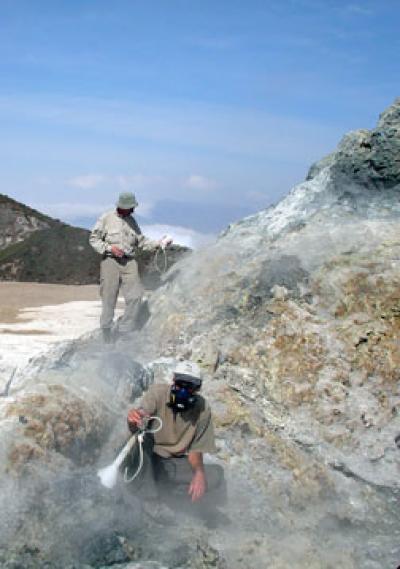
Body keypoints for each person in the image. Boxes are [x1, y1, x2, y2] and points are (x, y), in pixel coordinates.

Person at [126, 362, 226, 520]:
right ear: (173, 381)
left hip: (171, 463)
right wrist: (134, 417)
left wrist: (199, 474)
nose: (184, 391)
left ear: (197, 389)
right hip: (148, 458)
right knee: (141, 439)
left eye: (190, 387)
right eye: (180, 384)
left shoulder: (202, 408)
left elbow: (196, 450)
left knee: (215, 475)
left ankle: (172, 494)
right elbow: (141, 416)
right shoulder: (158, 393)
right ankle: (151, 500)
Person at [89, 192, 172, 342]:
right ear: (122, 206)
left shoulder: (132, 221)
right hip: (110, 261)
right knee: (109, 297)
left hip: (129, 262)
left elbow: (141, 241)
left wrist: (158, 244)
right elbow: (93, 239)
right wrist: (109, 248)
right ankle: (106, 332)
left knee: (136, 295)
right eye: (130, 207)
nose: (133, 210)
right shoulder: (106, 218)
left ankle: (125, 330)